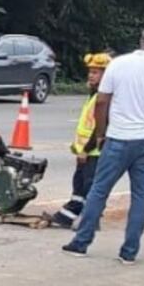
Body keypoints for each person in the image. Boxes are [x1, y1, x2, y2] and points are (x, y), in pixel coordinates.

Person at [63, 26, 144, 262]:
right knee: (140, 196)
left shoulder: (118, 65)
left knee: (99, 190)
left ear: (142, 41)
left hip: (117, 137)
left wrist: (100, 134)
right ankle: (129, 252)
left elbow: (101, 102)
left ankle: (81, 242)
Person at [46, 52, 112, 229]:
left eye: (96, 72)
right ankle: (68, 215)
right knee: (79, 185)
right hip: (87, 151)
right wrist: (78, 148)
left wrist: (86, 149)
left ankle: (91, 220)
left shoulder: (104, 98)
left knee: (91, 187)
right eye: (90, 72)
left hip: (95, 151)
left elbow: (100, 127)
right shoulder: (94, 95)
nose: (91, 75)